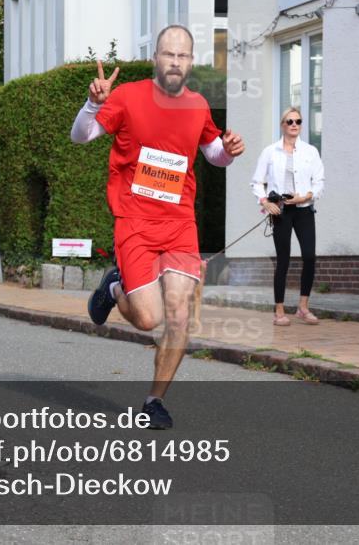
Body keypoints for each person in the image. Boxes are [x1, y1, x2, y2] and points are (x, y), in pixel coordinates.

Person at [70, 25, 245, 429]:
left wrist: (229, 152)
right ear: (156, 58)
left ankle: (154, 401)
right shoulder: (129, 97)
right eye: (169, 54)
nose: (175, 62)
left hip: (180, 223)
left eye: (183, 56)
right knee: (148, 319)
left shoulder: (199, 104)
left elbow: (212, 153)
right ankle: (114, 287)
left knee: (180, 315)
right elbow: (81, 136)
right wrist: (92, 104)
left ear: (191, 62)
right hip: (134, 221)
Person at [251, 107, 325, 326]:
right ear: (282, 125)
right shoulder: (270, 152)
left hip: (303, 209)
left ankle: (303, 307)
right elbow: (257, 181)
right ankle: (279, 311)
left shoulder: (311, 151)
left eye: (298, 121)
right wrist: (265, 203)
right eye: (289, 121)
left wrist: (306, 196)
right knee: (283, 259)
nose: (294, 125)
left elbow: (319, 181)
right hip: (281, 210)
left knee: (309, 256)